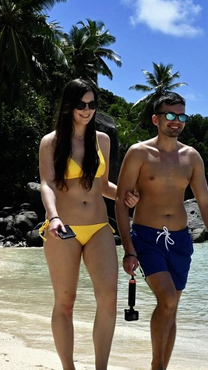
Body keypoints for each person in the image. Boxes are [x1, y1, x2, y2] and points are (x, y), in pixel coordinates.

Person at [115, 92, 208, 370]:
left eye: (181, 116)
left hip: (179, 240)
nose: (176, 121)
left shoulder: (191, 157)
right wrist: (129, 248)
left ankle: (162, 367)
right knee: (166, 298)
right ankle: (156, 365)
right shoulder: (139, 153)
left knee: (172, 307)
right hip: (147, 237)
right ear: (156, 119)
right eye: (170, 115)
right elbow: (120, 202)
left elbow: (204, 200)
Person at [38, 78, 138, 370]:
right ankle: (68, 367)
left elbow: (103, 185)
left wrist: (126, 195)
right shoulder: (51, 142)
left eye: (92, 104)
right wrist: (53, 217)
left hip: (98, 228)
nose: (87, 110)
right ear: (69, 105)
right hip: (63, 228)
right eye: (81, 104)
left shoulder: (102, 140)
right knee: (65, 303)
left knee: (108, 300)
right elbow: (47, 184)